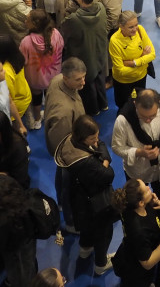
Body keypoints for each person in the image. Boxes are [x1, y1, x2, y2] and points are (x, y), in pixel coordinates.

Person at [55, 115, 116, 275]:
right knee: (103, 234)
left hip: (79, 200)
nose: (96, 140)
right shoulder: (86, 162)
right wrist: (105, 161)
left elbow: (100, 144)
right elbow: (108, 174)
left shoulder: (70, 141)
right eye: (92, 138)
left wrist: (100, 152)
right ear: (83, 138)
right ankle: (101, 264)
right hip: (96, 204)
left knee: (86, 229)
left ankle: (85, 250)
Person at [111, 178, 160, 286]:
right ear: (140, 202)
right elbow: (147, 263)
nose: (149, 188)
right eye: (146, 189)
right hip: (137, 270)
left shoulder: (132, 206)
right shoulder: (138, 230)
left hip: (135, 250)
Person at [44, 57, 87, 230]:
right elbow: (61, 146)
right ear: (66, 78)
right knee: (69, 188)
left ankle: (61, 202)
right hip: (68, 154)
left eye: (84, 77)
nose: (83, 82)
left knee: (61, 176)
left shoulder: (57, 80)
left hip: (65, 147)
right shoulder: (63, 112)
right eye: (78, 79)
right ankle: (70, 222)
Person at [112, 88, 160, 197]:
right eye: (143, 117)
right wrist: (139, 152)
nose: (148, 120)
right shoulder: (123, 119)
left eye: (152, 116)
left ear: (159, 103)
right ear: (135, 104)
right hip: (138, 170)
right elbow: (116, 147)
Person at [61, 0, 108, 114]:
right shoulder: (101, 8)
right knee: (99, 77)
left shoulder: (74, 19)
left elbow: (64, 30)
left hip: (84, 54)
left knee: (87, 85)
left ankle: (93, 110)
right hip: (99, 51)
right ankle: (103, 104)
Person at [20, 9, 64, 128]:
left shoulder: (26, 42)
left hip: (35, 78)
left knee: (37, 98)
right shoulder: (55, 33)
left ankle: (38, 120)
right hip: (54, 75)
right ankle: (51, 114)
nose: (25, 21)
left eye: (27, 19)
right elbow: (62, 46)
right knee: (51, 95)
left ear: (34, 24)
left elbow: (22, 61)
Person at [110, 11, 156, 111]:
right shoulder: (114, 41)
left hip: (141, 78)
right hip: (123, 83)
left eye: (136, 25)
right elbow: (120, 71)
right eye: (131, 27)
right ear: (121, 26)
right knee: (123, 107)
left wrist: (133, 63)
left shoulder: (140, 30)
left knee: (139, 104)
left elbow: (152, 55)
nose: (135, 29)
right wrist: (143, 60)